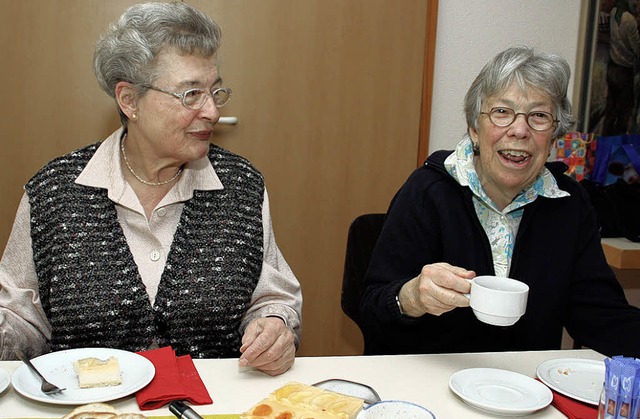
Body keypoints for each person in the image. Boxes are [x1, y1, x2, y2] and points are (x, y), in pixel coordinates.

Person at [0, 1, 302, 376]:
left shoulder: (241, 187)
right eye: (191, 94)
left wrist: (274, 325)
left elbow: (273, 297)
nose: (211, 111)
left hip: (212, 407)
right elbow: (20, 316)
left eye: (216, 92)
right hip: (90, 408)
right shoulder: (54, 192)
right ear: (129, 100)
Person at [360, 46, 640, 357]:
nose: (520, 130)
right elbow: (373, 311)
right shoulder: (428, 191)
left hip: (527, 392)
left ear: (554, 137)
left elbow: (601, 316)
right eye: (502, 112)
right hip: (432, 383)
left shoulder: (569, 203)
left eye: (539, 116)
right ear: (474, 130)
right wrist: (412, 297)